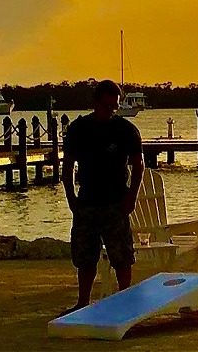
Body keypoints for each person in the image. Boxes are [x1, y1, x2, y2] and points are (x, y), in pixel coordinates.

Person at [58, 80, 144, 315]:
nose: (110, 111)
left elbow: (139, 166)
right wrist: (71, 198)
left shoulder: (125, 129)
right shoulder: (79, 129)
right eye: (106, 106)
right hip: (87, 201)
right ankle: (83, 301)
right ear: (96, 103)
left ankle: (125, 299)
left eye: (114, 107)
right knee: (85, 257)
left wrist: (131, 198)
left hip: (116, 201)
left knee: (122, 256)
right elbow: (68, 167)